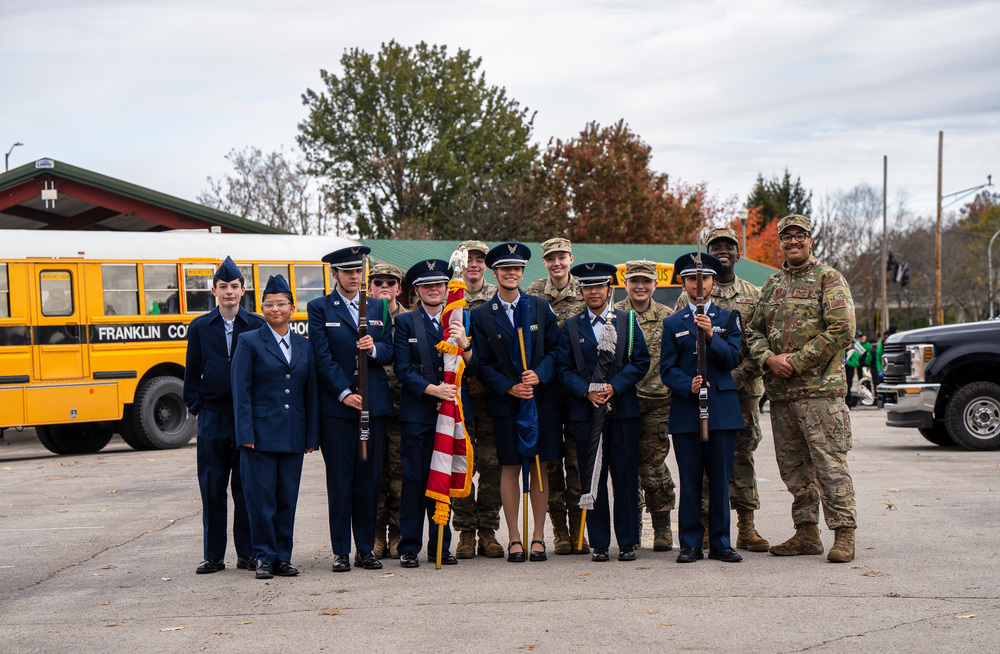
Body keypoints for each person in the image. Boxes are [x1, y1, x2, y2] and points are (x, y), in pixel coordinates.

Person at [747, 214, 858, 563]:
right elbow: (752, 331)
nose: (793, 242)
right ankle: (807, 533)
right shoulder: (771, 285)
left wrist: (795, 361)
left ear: (810, 240)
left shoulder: (828, 278)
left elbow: (842, 329)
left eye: (800, 236)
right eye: (787, 237)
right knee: (793, 469)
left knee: (829, 465)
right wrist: (768, 359)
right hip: (782, 395)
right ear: (780, 242)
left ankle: (844, 534)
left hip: (820, 393)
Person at [675, 228, 769, 552]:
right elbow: (683, 345)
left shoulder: (754, 294)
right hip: (704, 390)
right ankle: (704, 527)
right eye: (716, 247)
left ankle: (746, 525)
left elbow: (759, 344)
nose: (723, 251)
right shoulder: (689, 292)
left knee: (741, 458)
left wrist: (733, 380)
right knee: (703, 458)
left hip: (742, 391)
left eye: (729, 246)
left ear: (738, 253)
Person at [470, 242, 562, 562]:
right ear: (494, 273)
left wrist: (539, 375)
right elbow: (480, 364)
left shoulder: (539, 306)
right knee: (509, 467)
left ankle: (537, 536)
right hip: (506, 403)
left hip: (539, 400)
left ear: (523, 272)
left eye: (517, 268)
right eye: (506, 268)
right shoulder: (481, 314)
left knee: (538, 467)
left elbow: (556, 350)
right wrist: (509, 387)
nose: (512, 273)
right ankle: (514, 537)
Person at [308, 246, 394, 572]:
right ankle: (341, 550)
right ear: (334, 274)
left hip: (373, 406)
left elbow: (391, 350)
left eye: (358, 271)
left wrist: (374, 349)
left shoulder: (378, 306)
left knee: (368, 480)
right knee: (340, 479)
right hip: (338, 410)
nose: (354, 277)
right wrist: (343, 393)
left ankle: (365, 548)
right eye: (347, 272)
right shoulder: (319, 308)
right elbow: (321, 356)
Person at [557, 262, 649, 562]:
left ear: (609, 289)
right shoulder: (571, 326)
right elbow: (563, 368)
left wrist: (615, 386)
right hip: (587, 412)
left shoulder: (627, 321)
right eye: (587, 287)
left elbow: (641, 361)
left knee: (624, 476)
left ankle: (627, 541)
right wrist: (586, 391)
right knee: (592, 477)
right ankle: (598, 542)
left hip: (622, 410)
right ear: (580, 291)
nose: (593, 292)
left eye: (599, 286)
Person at [232, 275, 319, 579]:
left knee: (287, 499)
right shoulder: (249, 341)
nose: (275, 309)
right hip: (260, 436)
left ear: (293, 308)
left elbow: (310, 393)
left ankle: (283, 557)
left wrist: (311, 436)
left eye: (281, 303)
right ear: (262, 309)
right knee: (261, 500)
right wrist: (245, 434)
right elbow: (240, 391)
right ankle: (264, 557)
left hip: (293, 434)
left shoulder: (304, 345)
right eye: (269, 304)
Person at [661, 253, 744, 564]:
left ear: (713, 283)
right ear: (683, 283)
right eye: (692, 279)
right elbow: (667, 368)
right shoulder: (672, 323)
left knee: (720, 479)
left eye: (705, 278)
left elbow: (732, 358)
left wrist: (711, 335)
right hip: (687, 410)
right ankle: (691, 543)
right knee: (690, 478)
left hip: (721, 410)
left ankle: (721, 543)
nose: (698, 284)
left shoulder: (728, 318)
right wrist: (688, 385)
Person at [183, 256, 264, 574]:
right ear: (213, 291)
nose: (228, 291)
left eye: (234, 286)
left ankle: (247, 554)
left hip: (245, 419)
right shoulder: (201, 327)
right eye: (223, 286)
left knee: (245, 489)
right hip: (213, 417)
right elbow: (192, 373)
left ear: (243, 290)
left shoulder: (256, 325)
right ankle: (214, 555)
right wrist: (197, 406)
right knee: (212, 487)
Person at [393, 259, 471, 568]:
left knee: (443, 478)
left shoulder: (459, 317)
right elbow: (403, 368)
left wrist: (465, 344)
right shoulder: (405, 322)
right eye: (427, 286)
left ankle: (441, 546)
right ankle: (409, 546)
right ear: (416, 290)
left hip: (450, 413)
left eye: (439, 284)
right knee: (414, 480)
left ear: (446, 288)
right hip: (418, 413)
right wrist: (433, 390)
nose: (434, 289)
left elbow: (472, 364)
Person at [526, 237, 588, 555]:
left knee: (577, 463)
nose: (557, 263)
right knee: (549, 463)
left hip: (578, 390)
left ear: (571, 259)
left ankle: (578, 532)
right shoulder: (534, 292)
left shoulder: (586, 290)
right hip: (546, 389)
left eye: (562, 257)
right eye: (551, 258)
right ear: (544, 262)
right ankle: (559, 532)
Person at [613, 260, 676, 552]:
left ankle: (662, 524)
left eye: (646, 281)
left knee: (652, 468)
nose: (640, 286)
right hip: (622, 402)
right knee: (625, 468)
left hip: (657, 403)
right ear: (625, 283)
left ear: (655, 284)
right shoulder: (614, 315)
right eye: (634, 281)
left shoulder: (667, 317)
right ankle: (632, 522)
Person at [452, 240, 505, 560]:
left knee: (492, 464)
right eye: (467, 259)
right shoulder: (449, 296)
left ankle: (487, 530)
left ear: (487, 265)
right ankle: (465, 532)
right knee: (459, 463)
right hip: (456, 396)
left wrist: (483, 377)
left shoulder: (498, 297)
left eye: (479, 259)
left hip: (490, 394)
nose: (473, 264)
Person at [369, 262, 406, 560]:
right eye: (378, 281)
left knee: (400, 476)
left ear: (399, 289)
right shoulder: (363, 317)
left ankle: (397, 534)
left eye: (390, 282)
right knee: (374, 475)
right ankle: (375, 535)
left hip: (403, 409)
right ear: (369, 288)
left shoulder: (410, 319)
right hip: (371, 409)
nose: (384, 286)